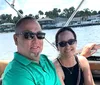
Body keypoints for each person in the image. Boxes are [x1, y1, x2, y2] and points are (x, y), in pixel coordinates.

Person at [2, 16, 61, 85]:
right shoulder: (15, 73)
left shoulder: (45, 60)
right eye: (28, 35)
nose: (36, 41)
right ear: (16, 39)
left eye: (40, 35)